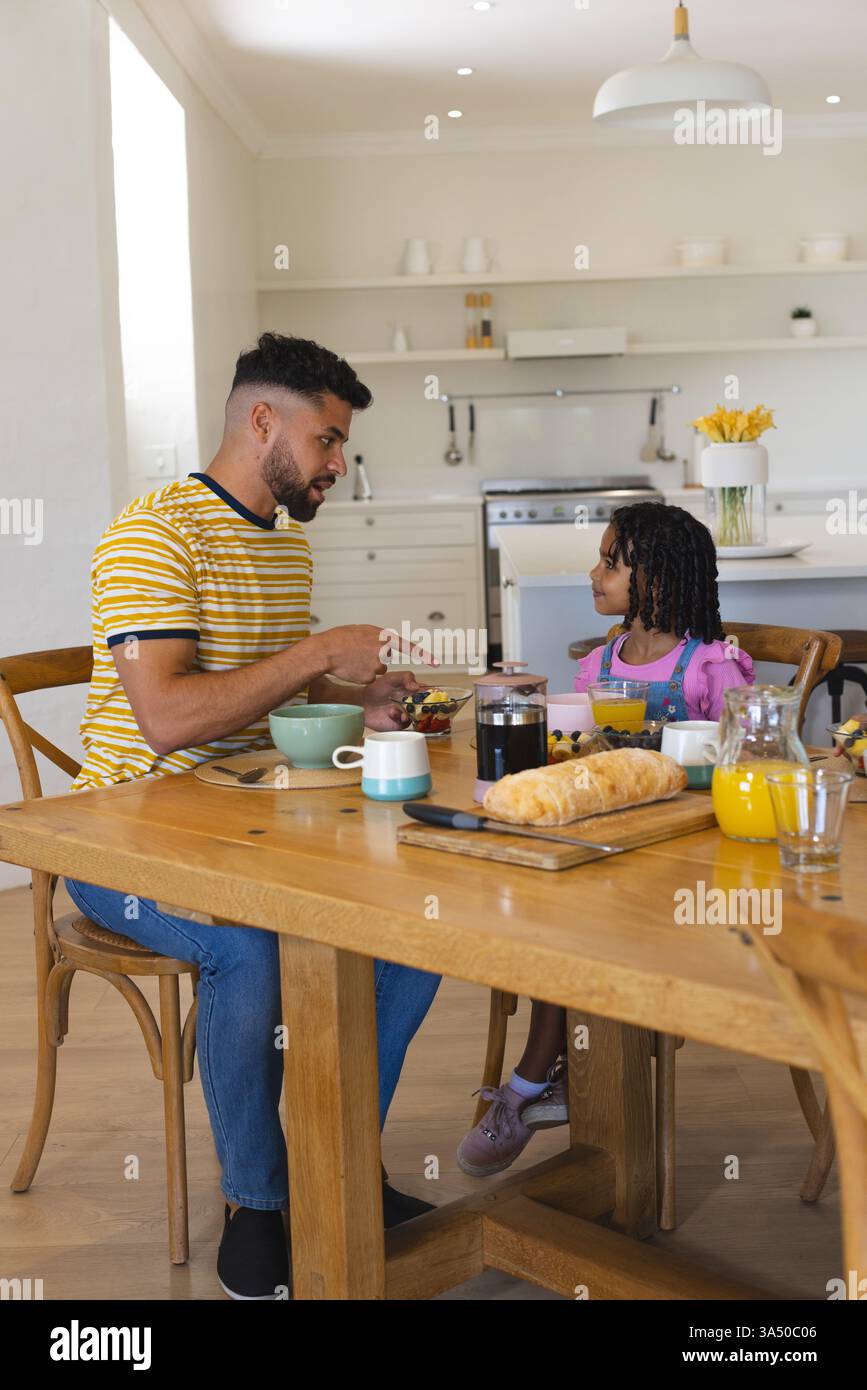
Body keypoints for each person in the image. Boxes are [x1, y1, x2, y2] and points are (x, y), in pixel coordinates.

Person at [64, 333, 442, 1298]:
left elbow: (254, 704)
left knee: (418, 922)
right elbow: (167, 717)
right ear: (262, 421)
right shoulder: (154, 534)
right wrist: (318, 655)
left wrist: (364, 705)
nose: (337, 465)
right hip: (119, 827)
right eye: (327, 439)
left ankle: (338, 1160)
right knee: (251, 949)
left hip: (245, 817)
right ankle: (259, 1201)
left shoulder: (285, 544)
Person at [456, 501, 754, 1178]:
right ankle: (554, 1080)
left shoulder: (711, 665)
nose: (592, 574)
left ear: (659, 579)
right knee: (547, 913)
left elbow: (745, 766)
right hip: (605, 851)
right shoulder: (597, 665)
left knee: (569, 923)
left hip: (685, 863)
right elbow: (580, 759)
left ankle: (530, 1083)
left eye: (610, 563)